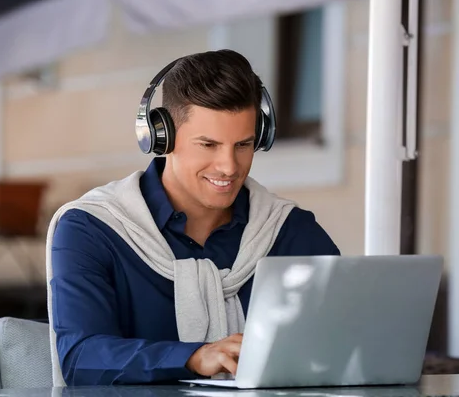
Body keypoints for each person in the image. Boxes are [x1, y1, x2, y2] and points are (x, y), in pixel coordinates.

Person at [47, 49, 340, 386]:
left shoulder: (290, 230)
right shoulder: (91, 228)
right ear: (161, 137)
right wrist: (194, 357)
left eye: (243, 145)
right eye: (208, 145)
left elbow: (344, 341)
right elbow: (82, 358)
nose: (229, 167)